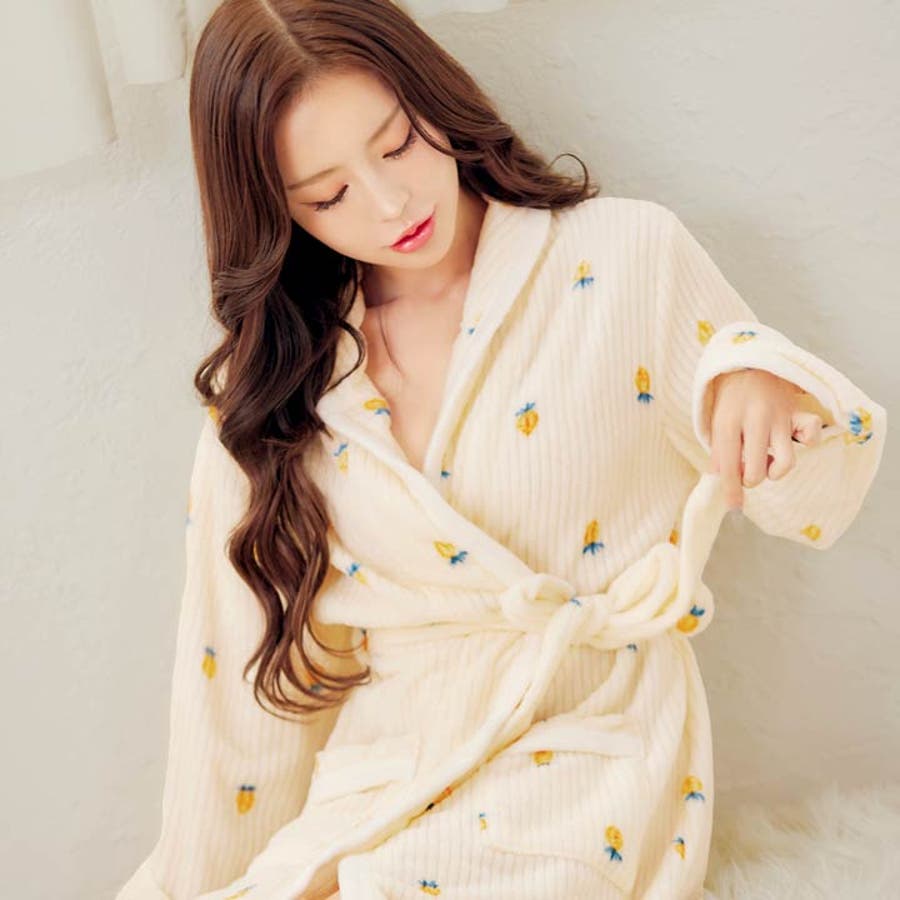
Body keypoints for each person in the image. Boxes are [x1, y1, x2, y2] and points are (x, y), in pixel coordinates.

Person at [115, 1, 887, 898]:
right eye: (329, 196)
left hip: (586, 758)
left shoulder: (623, 257)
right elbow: (233, 696)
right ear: (276, 211)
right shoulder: (279, 389)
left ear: (433, 98)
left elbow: (816, 502)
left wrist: (760, 380)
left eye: (398, 143)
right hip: (381, 783)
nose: (391, 203)